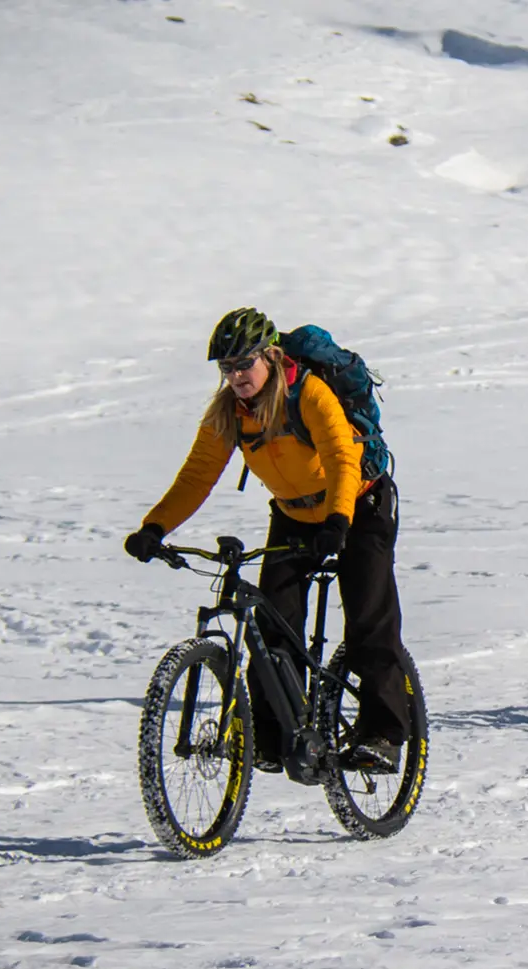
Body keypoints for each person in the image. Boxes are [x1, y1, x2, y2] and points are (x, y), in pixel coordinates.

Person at [123, 308, 410, 772]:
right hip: (295, 515)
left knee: (368, 618)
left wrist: (339, 521)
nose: (235, 376)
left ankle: (384, 734)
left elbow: (340, 457)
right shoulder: (230, 414)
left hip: (359, 505)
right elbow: (197, 476)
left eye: (243, 365)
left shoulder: (310, 395)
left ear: (270, 357)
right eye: (226, 368)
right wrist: (154, 528)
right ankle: (274, 739)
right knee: (272, 624)